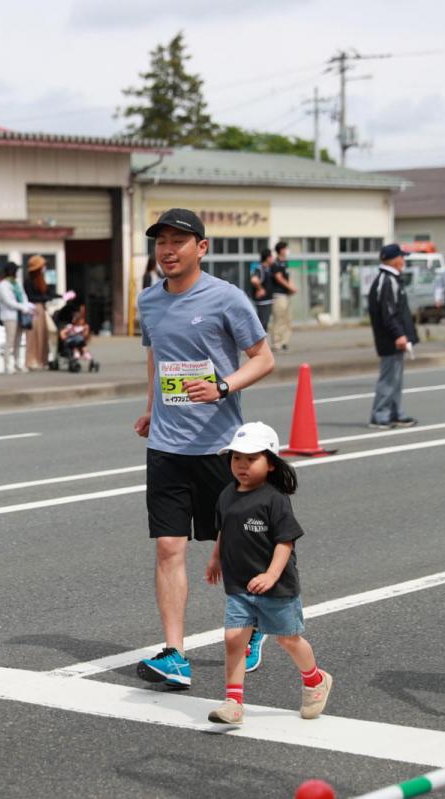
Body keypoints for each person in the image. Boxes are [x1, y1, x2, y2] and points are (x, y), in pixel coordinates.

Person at [133, 208, 275, 688]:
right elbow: (157, 357)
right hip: (167, 445)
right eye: (161, 242)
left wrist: (224, 386)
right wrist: (153, 407)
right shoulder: (149, 301)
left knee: (234, 547)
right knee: (169, 546)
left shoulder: (227, 298)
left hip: (219, 447)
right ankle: (175, 653)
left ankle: (252, 624)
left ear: (202, 247)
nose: (168, 250)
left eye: (178, 241)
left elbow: (264, 358)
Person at [205, 422, 332, 724]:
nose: (242, 465)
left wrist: (272, 575)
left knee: (288, 639)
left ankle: (315, 681)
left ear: (271, 464)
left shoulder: (274, 499)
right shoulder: (226, 495)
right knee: (234, 637)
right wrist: (215, 559)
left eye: (251, 459)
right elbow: (225, 530)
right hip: (239, 584)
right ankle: (233, 701)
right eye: (237, 458)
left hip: (277, 587)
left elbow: (284, 541)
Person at [367, 243, 419, 430]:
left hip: (395, 337)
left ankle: (395, 413)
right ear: (394, 260)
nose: (403, 260)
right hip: (390, 338)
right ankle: (379, 415)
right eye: (402, 257)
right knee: (389, 378)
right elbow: (388, 312)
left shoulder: (392, 279)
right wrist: (399, 334)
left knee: (396, 378)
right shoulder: (386, 280)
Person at [0, 263, 32, 374]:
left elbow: (23, 296)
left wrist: (27, 305)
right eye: (15, 271)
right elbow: (9, 301)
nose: (16, 273)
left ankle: (17, 363)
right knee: (10, 341)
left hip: (20, 315)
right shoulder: (3, 285)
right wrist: (23, 307)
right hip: (9, 316)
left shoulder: (17, 283)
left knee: (18, 340)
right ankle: (7, 366)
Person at [24, 255, 56, 370]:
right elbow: (31, 297)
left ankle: (43, 360)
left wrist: (60, 296)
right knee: (33, 335)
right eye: (42, 266)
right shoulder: (28, 281)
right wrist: (45, 298)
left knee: (43, 335)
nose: (44, 268)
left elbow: (48, 293)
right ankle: (32, 361)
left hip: (42, 309)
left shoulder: (41, 280)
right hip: (34, 309)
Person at [269, 241, 296, 351]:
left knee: (287, 319)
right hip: (278, 296)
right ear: (280, 250)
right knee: (279, 319)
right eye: (285, 249)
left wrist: (292, 287)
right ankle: (276, 343)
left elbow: (288, 278)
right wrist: (290, 287)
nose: (286, 251)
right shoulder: (275, 264)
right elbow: (279, 278)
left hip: (286, 295)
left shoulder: (285, 263)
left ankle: (285, 342)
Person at [60, 304, 97, 370]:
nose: (82, 322)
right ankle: (76, 354)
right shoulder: (70, 327)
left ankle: (87, 355)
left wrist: (86, 331)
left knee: (83, 346)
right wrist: (64, 337)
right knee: (75, 346)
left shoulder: (82, 328)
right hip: (72, 341)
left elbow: (85, 335)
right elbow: (63, 332)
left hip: (80, 341)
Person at [249, 249, 275, 331]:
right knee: (261, 325)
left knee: (264, 324)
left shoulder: (269, 268)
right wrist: (260, 289)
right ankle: (259, 343)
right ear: (267, 258)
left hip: (268, 301)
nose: (273, 258)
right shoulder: (260, 269)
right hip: (263, 302)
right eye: (271, 257)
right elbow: (254, 280)